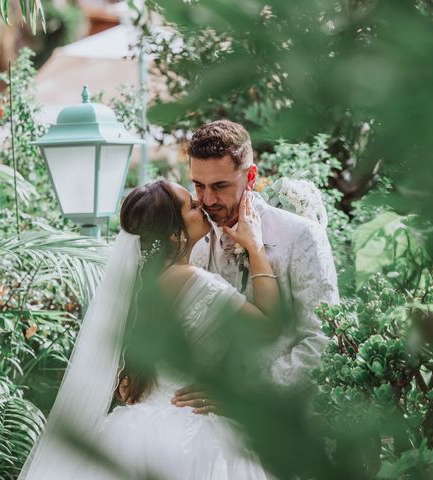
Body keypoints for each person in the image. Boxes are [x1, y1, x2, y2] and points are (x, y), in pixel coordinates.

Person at [18, 180, 280, 480]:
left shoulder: (137, 287)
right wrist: (256, 247)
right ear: (173, 233)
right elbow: (268, 325)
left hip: (133, 427)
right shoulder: (195, 281)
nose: (201, 205)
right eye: (192, 207)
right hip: (191, 430)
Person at [121, 120, 340, 411]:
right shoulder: (186, 240)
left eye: (220, 186)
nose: (208, 200)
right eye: (198, 186)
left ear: (250, 176)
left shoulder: (301, 236)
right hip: (194, 425)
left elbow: (322, 341)